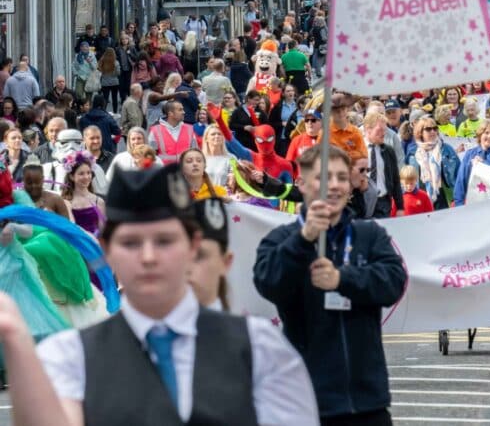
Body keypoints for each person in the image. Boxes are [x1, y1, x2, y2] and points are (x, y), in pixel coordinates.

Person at [35, 164, 320, 425]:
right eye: (130, 242)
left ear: (193, 246)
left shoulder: (259, 348)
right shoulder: (69, 357)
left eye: (164, 240)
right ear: (107, 249)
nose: (148, 257)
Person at [254, 146, 407, 425]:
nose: (334, 185)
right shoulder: (280, 239)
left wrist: (343, 279)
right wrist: (303, 240)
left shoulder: (369, 234)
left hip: (366, 402)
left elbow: (394, 283)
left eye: (340, 177)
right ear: (301, 184)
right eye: (324, 177)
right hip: (307, 401)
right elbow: (268, 282)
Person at [189, 197, 234, 311]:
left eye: (199, 256)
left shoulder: (249, 329)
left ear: (225, 262)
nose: (186, 267)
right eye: (178, 256)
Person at [362, 112, 404, 218]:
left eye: (385, 130)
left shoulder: (388, 151)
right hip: (362, 202)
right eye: (379, 130)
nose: (383, 133)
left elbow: (395, 179)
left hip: (383, 203)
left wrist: (400, 207)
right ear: (368, 129)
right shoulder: (358, 149)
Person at [148, 100, 198, 165]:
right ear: (170, 113)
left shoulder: (190, 129)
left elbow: (196, 152)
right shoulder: (155, 130)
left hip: (185, 171)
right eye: (180, 110)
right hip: (164, 172)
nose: (184, 112)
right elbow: (150, 154)